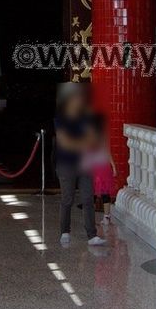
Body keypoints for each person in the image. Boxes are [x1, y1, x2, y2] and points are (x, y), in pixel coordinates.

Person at [54, 83, 107, 246]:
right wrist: (82, 143)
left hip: (85, 163)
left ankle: (92, 235)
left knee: (87, 198)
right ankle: (65, 231)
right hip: (66, 164)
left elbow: (93, 138)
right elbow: (65, 142)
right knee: (68, 198)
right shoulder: (60, 119)